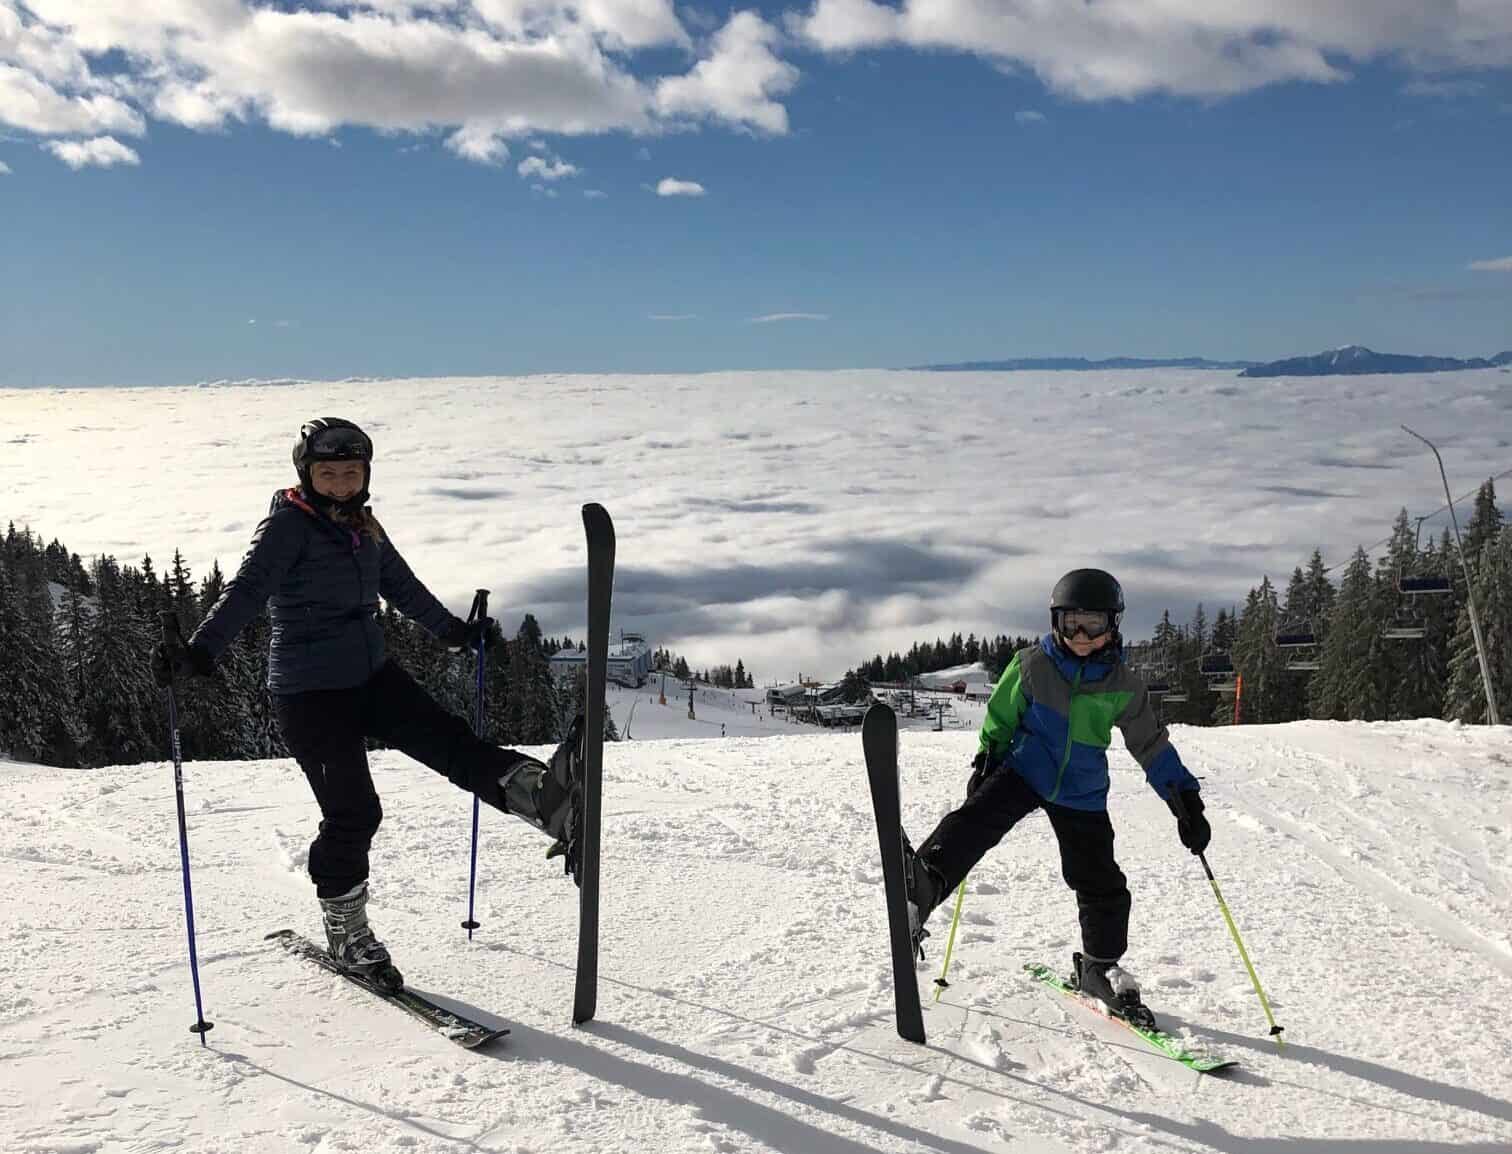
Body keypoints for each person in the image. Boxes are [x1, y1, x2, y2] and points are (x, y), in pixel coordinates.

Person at [151, 417, 581, 993]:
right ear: (306, 474)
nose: (340, 483)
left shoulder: (364, 526)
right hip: (309, 693)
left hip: (372, 675)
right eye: (327, 474)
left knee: (452, 743)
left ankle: (544, 799)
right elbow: (247, 590)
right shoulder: (286, 527)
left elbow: (401, 587)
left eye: (351, 473)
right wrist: (200, 652)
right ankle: (347, 931)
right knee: (354, 813)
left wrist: (454, 633)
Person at [902, 568, 1211, 1025]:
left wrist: (1183, 798)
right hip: (1026, 768)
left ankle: (1100, 967)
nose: (1082, 636)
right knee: (975, 820)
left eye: (1093, 624)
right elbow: (1001, 715)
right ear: (1056, 622)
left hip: (1082, 789)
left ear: (1113, 625)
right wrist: (987, 759)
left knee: (1099, 877)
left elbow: (1150, 743)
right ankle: (924, 885)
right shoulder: (1032, 665)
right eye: (1072, 624)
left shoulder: (1123, 684)